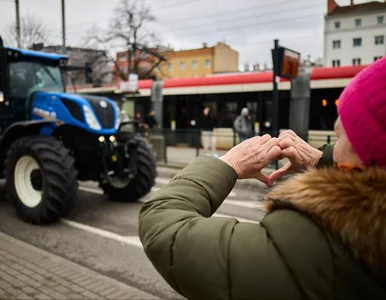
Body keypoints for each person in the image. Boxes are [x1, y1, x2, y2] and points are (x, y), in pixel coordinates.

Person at [138, 57, 386, 299]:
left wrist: (230, 164)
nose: (335, 137)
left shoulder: (311, 249)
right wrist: (323, 161)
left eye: (341, 136)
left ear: (365, 156)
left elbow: (163, 227)